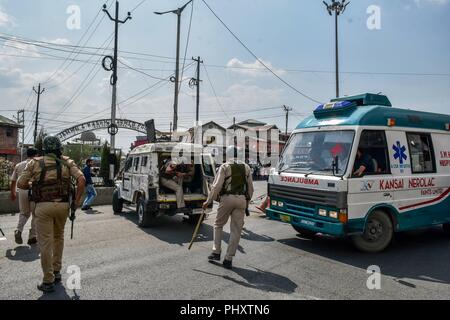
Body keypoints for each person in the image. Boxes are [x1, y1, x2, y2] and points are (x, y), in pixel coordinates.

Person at [17, 136, 85, 293]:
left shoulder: (34, 162)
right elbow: (81, 180)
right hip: (63, 206)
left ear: (44, 149)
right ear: (59, 148)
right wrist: (76, 202)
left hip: (43, 206)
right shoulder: (67, 161)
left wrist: (34, 183)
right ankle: (56, 272)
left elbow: (21, 184)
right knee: (58, 237)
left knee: (45, 243)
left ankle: (48, 281)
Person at [202, 146, 254, 269]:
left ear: (228, 154)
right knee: (236, 230)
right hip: (241, 200)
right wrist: (246, 202)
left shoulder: (225, 166)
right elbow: (250, 188)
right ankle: (228, 259)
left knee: (218, 225)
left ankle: (216, 252)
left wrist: (209, 200)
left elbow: (216, 186)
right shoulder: (246, 167)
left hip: (227, 198)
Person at [10, 148, 38, 245]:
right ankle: (32, 236)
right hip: (34, 191)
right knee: (36, 214)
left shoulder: (19, 165)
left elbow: (13, 180)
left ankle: (19, 230)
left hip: (22, 190)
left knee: (24, 213)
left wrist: (13, 193)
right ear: (35, 155)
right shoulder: (37, 164)